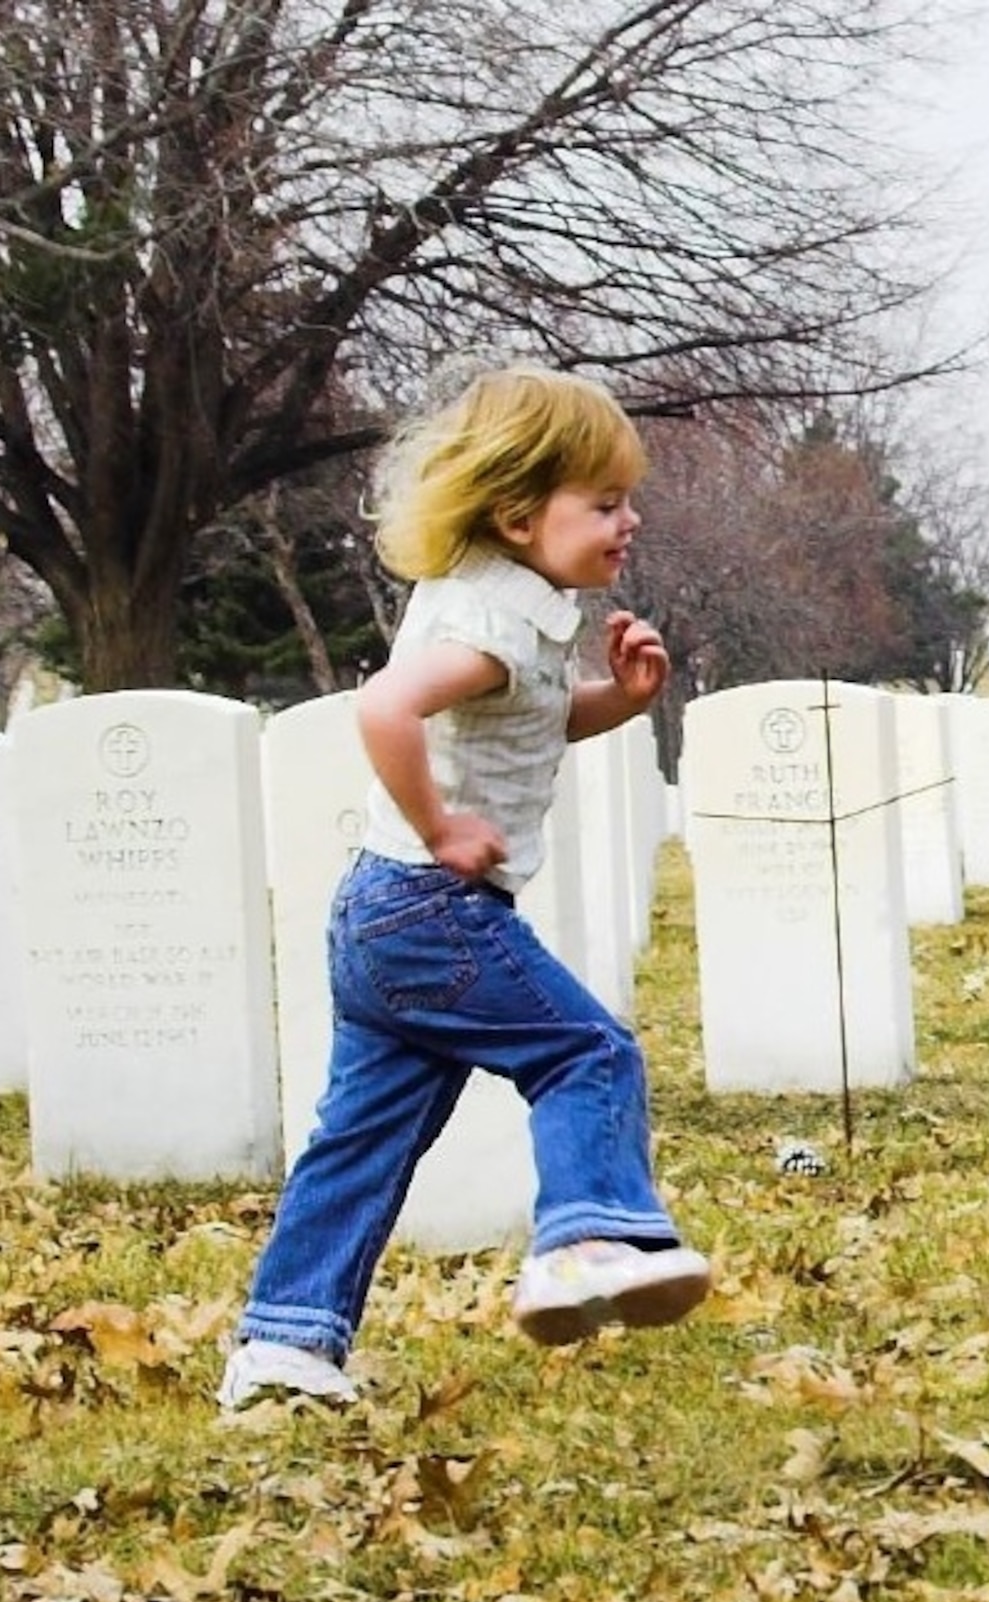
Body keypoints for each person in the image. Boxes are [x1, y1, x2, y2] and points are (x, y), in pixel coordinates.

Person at [219, 365, 711, 1410]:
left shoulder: (503, 603)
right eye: (605, 502)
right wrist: (443, 827)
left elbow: (522, 721)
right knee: (585, 1050)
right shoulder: (491, 621)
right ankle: (586, 1240)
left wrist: (619, 702)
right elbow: (387, 707)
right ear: (518, 510)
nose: (630, 521)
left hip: (379, 911)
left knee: (365, 1132)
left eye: (628, 498)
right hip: (432, 911)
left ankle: (284, 1342)